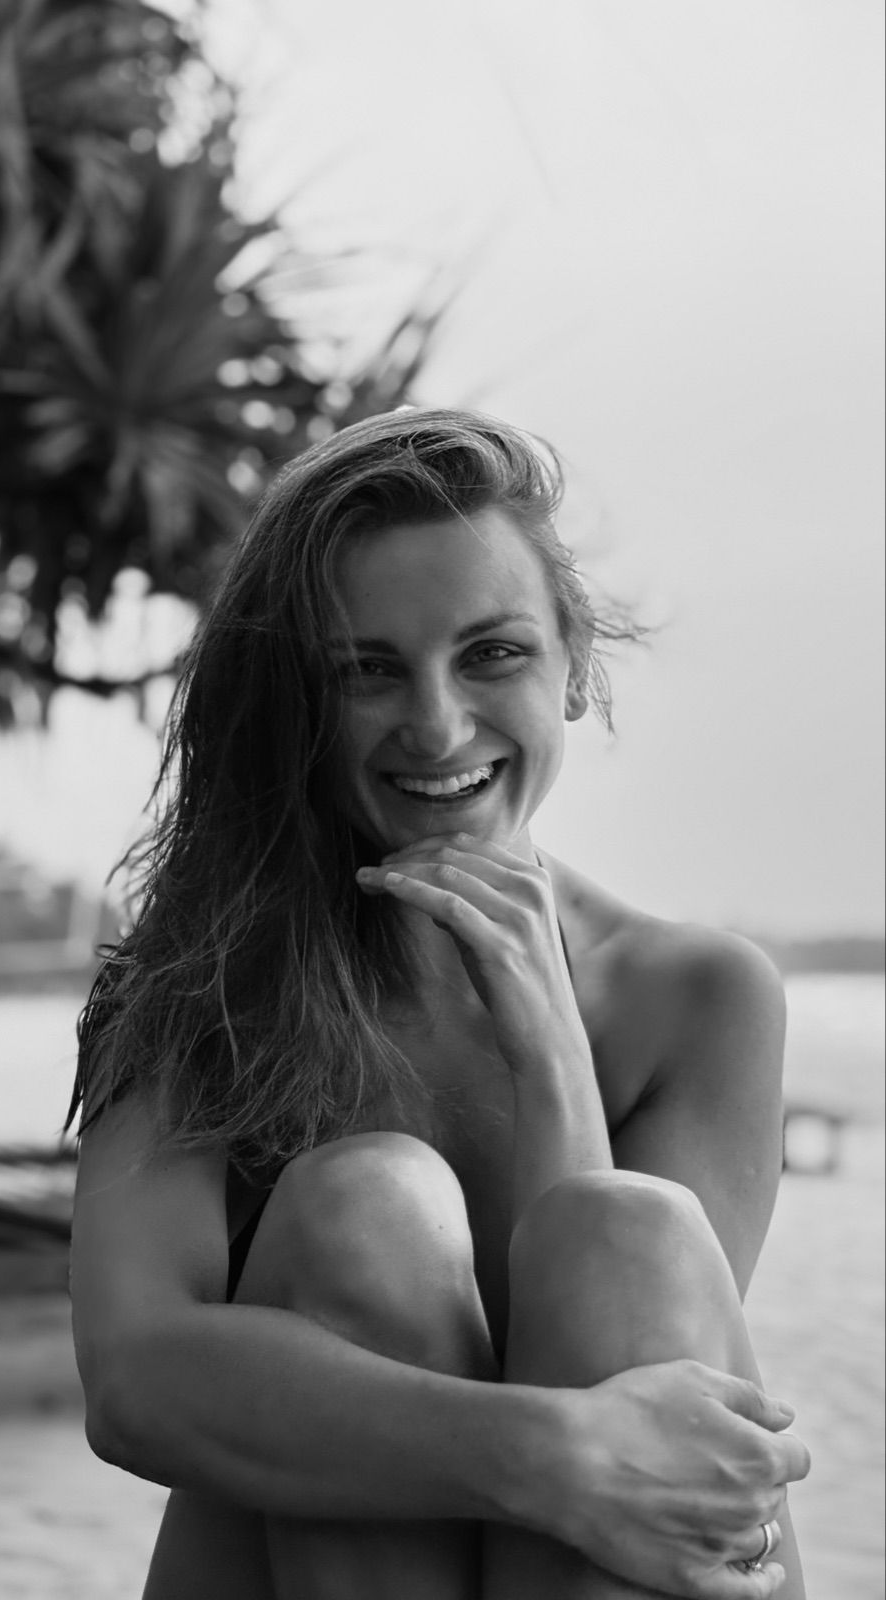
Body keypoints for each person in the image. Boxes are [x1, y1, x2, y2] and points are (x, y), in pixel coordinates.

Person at [67, 408, 810, 1600]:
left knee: (629, 1228)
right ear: (297, 703)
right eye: (366, 670)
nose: (437, 725)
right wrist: (550, 1456)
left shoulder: (698, 1000)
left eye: (492, 653)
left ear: (575, 666)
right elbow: (133, 1379)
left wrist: (549, 1051)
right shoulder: (196, 990)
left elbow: (645, 1391)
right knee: (366, 1200)